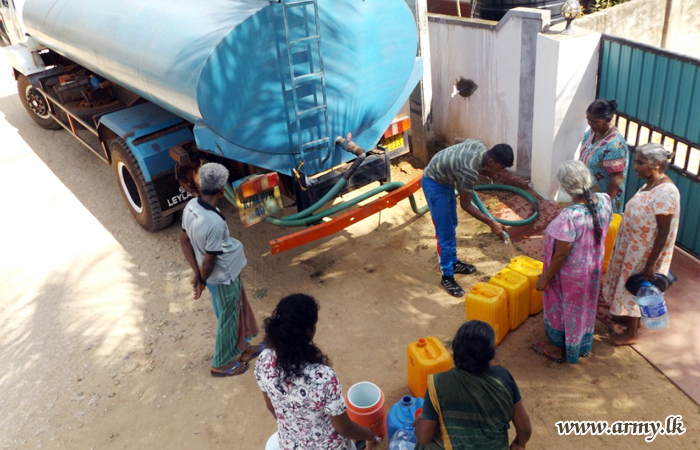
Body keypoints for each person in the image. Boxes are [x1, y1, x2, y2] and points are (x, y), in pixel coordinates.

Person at [254, 294, 375, 450]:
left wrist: (298, 430)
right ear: (310, 331)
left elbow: (271, 407)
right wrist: (370, 434)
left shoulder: (263, 361)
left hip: (289, 445)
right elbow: (345, 429)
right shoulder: (323, 378)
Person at [180, 162, 263, 377]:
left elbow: (184, 241)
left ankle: (244, 349)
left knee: (239, 309)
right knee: (228, 317)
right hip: (223, 277)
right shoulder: (214, 223)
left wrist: (198, 275)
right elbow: (209, 260)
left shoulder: (191, 207)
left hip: (224, 275)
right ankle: (219, 363)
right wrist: (201, 279)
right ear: (221, 189)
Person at [533, 161, 613, 364]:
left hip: (569, 278)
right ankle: (581, 345)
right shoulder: (604, 200)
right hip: (592, 270)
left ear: (566, 187)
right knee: (584, 306)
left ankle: (561, 348)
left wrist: (545, 277)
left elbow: (561, 254)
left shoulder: (568, 217)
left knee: (565, 308)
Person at [601, 143, 681, 345]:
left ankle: (632, 333)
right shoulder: (649, 184)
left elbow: (664, 231)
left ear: (656, 165)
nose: (635, 167)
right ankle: (628, 320)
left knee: (638, 287)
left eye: (640, 163)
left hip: (644, 254)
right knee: (631, 284)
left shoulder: (665, 192)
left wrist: (651, 263)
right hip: (634, 248)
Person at [414, 321, 531, 450]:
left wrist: (421, 421)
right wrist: (519, 444)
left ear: (455, 350)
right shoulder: (503, 378)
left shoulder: (439, 383)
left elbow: (423, 437)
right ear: (490, 354)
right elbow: (524, 428)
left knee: (423, 445)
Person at [422, 140, 514, 297]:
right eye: (500, 167)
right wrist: (491, 222)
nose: (500, 172)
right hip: (434, 183)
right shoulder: (470, 170)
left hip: (446, 179)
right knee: (444, 232)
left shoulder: (480, 147)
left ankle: (453, 262)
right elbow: (465, 204)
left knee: (452, 224)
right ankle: (447, 276)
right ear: (491, 161)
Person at [578, 99, 629, 214]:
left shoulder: (615, 145)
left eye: (595, 121)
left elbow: (616, 179)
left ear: (608, 119)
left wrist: (606, 206)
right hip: (587, 194)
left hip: (602, 200)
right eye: (588, 120)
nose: (590, 124)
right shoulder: (590, 134)